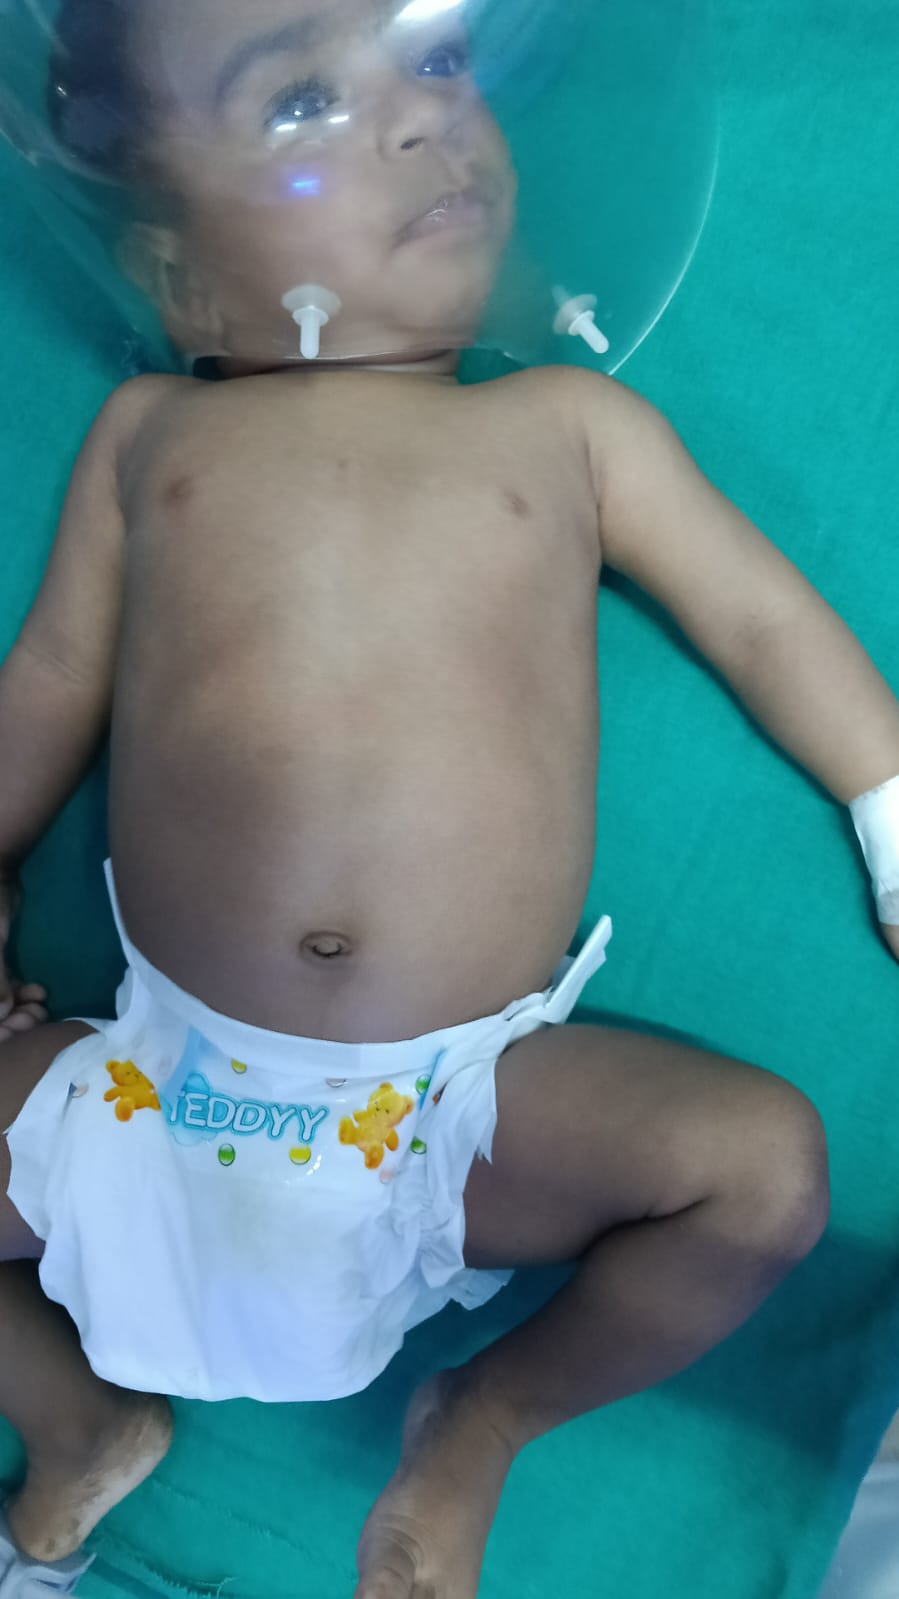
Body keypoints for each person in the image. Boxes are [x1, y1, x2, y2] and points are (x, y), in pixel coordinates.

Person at [0, 1, 895, 1594]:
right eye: (299, 103)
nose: (421, 115)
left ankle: (482, 1422)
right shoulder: (154, 438)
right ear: (179, 277)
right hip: (150, 1090)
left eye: (431, 60)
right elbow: (54, 680)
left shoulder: (567, 432)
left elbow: (762, 623)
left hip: (445, 1123)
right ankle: (74, 1423)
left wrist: (889, 807)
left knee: (761, 1173)